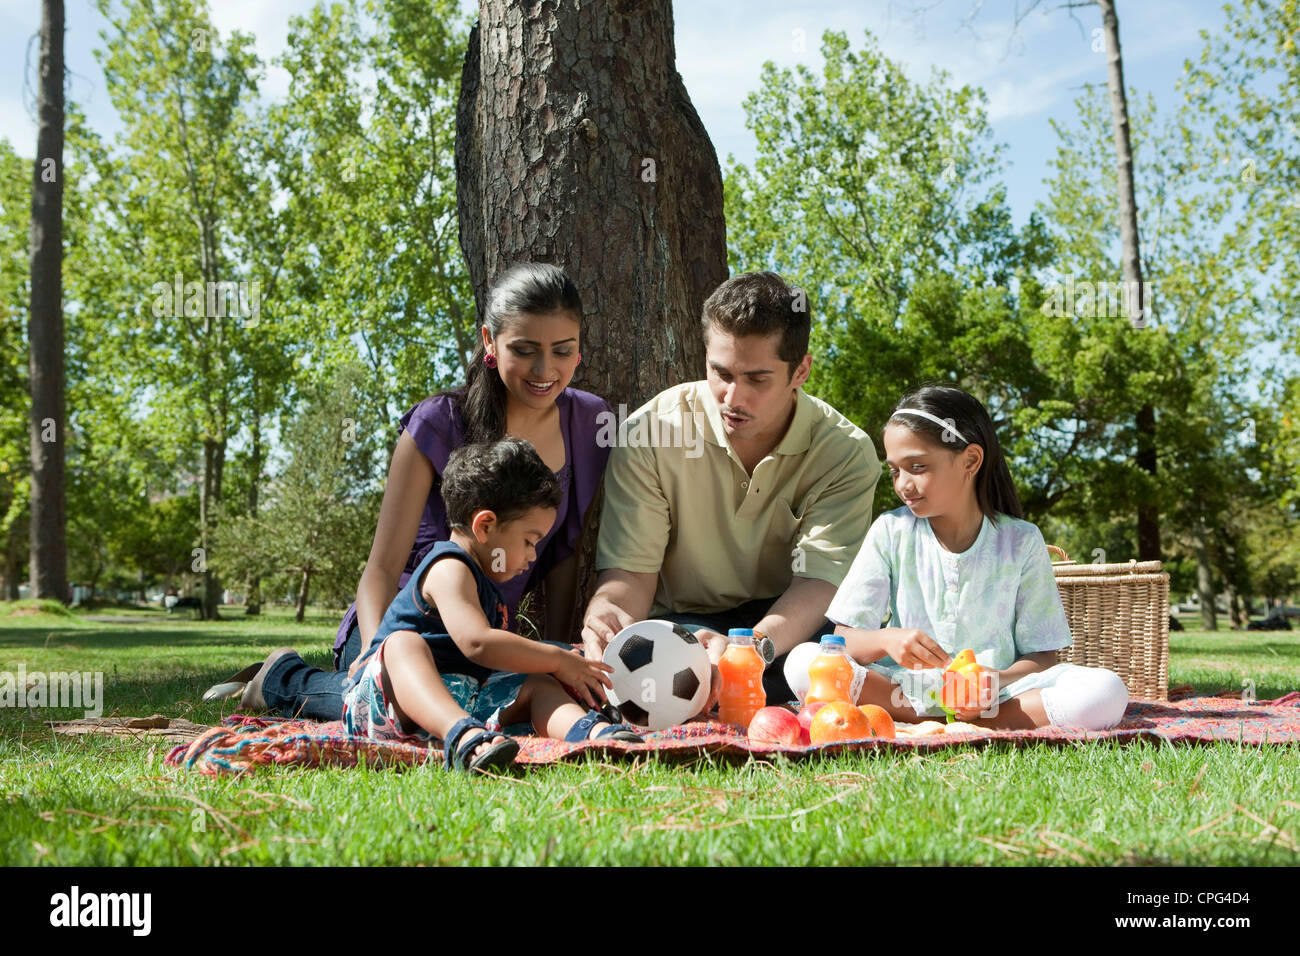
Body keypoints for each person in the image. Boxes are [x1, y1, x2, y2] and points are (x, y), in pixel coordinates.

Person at [205, 263, 612, 720]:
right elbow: (382, 565)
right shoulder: (437, 421)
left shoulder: (590, 424)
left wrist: (553, 652)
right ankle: (282, 679)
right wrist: (375, 653)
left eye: (563, 351)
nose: (545, 369)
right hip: (402, 621)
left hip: (480, 633)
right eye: (525, 349)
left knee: (481, 698)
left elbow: (562, 556)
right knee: (395, 703)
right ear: (489, 343)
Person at [580, 271, 882, 705]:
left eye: (757, 379)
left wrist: (747, 649)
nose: (732, 398)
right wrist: (608, 614)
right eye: (720, 373)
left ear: (801, 371)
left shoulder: (846, 453)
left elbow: (819, 583)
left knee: (826, 664)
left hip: (788, 628)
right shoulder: (649, 432)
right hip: (683, 626)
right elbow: (631, 575)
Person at [787, 384, 1129, 730]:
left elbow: (1042, 657)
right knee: (803, 662)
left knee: (1105, 691)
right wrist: (886, 640)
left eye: (917, 467)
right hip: (904, 691)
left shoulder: (1022, 540)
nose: (902, 484)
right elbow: (843, 641)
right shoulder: (890, 531)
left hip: (998, 698)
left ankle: (953, 723)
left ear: (971, 460)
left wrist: (995, 681)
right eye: (894, 471)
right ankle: (941, 720)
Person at [344, 439, 641, 773]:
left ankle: (592, 734)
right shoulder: (448, 568)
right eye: (529, 541)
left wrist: (558, 664)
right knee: (403, 644)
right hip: (385, 701)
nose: (532, 555)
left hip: (463, 696)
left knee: (538, 684)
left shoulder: (486, 585)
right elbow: (478, 643)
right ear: (484, 526)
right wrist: (556, 659)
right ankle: (461, 735)